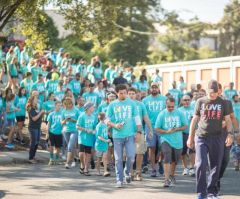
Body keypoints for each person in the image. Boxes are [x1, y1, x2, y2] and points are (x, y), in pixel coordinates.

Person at [187, 80, 233, 199]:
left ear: (218, 92)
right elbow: (194, 120)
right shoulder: (200, 101)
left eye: (215, 92)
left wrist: (230, 134)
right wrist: (190, 138)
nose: (213, 95)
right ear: (207, 90)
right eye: (211, 92)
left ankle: (211, 192)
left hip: (217, 138)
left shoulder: (224, 103)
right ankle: (201, 194)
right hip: (201, 137)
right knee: (201, 164)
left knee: (215, 166)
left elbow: (228, 120)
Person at [106, 84, 142, 188]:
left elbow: (137, 118)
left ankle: (127, 172)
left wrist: (139, 132)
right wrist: (114, 125)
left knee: (131, 157)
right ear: (117, 93)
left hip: (130, 135)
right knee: (118, 159)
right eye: (121, 93)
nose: (123, 95)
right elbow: (106, 120)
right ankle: (119, 179)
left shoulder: (132, 103)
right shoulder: (112, 104)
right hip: (117, 135)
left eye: (125, 93)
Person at [155, 97, 187, 187]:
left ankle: (172, 175)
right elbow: (157, 128)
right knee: (167, 157)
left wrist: (177, 129)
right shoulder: (162, 114)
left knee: (174, 160)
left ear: (175, 105)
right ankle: (166, 179)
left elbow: (185, 126)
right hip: (166, 139)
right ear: (166, 105)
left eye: (172, 107)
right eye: (169, 107)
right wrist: (166, 131)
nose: (171, 108)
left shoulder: (180, 113)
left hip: (177, 141)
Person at [128, 87, 153, 181]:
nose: (131, 95)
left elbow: (146, 117)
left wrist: (150, 129)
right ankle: (130, 173)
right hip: (127, 132)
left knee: (140, 152)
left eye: (133, 93)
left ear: (136, 94)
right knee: (130, 154)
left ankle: (138, 172)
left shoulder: (141, 104)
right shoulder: (124, 105)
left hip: (139, 132)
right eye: (129, 93)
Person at [142, 82, 166, 177]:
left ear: (158, 88)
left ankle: (160, 161)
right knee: (152, 148)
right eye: (152, 87)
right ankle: (153, 169)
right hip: (149, 127)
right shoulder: (145, 100)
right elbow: (143, 115)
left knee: (163, 147)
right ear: (150, 88)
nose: (154, 89)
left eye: (156, 87)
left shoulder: (164, 99)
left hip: (162, 127)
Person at [77, 102, 97, 176]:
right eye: (92, 107)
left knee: (88, 154)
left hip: (90, 138)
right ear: (88, 108)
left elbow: (95, 127)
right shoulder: (82, 116)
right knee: (81, 154)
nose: (94, 108)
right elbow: (77, 126)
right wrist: (85, 129)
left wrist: (94, 130)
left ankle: (86, 169)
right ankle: (82, 165)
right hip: (82, 137)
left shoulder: (94, 116)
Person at [178, 95, 195, 177]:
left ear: (191, 100)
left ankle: (192, 168)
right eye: (185, 100)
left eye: (188, 100)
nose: (187, 101)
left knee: (192, 150)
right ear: (181, 101)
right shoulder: (178, 110)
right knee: (183, 152)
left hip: (192, 133)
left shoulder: (194, 109)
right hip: (182, 133)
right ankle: (185, 168)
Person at [26, 95, 45, 164]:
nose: (37, 100)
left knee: (37, 142)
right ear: (32, 100)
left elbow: (39, 116)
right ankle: (30, 158)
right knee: (33, 142)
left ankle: (33, 156)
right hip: (32, 127)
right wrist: (40, 112)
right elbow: (34, 118)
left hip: (38, 127)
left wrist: (42, 113)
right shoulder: (30, 108)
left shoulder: (36, 107)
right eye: (36, 99)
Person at [61, 97, 79, 169]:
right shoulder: (64, 111)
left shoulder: (76, 110)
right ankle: (74, 160)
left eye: (70, 103)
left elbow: (80, 121)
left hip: (74, 130)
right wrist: (65, 120)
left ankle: (67, 163)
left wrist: (73, 120)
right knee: (71, 146)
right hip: (66, 130)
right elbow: (62, 123)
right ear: (65, 104)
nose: (69, 105)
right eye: (68, 104)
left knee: (70, 146)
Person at [95, 112, 111, 177]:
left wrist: (108, 139)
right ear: (104, 118)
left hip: (105, 145)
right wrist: (106, 140)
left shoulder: (105, 125)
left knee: (105, 158)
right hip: (99, 145)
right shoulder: (98, 126)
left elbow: (105, 131)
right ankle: (98, 171)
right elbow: (98, 136)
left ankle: (105, 171)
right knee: (98, 159)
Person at [47, 101, 63, 165]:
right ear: (55, 106)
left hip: (59, 132)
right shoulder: (51, 114)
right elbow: (48, 123)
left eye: (60, 105)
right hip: (52, 131)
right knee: (51, 145)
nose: (59, 107)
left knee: (58, 147)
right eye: (58, 105)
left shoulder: (63, 114)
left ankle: (56, 158)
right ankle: (51, 158)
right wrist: (47, 132)